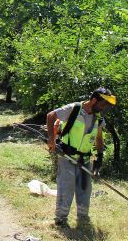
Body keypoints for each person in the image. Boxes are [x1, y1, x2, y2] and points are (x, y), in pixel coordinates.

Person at [46, 87, 117, 227]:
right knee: (67, 187)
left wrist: (98, 162)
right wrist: (51, 138)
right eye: (103, 105)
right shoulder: (74, 109)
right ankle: (61, 219)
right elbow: (51, 116)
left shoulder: (98, 118)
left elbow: (99, 140)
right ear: (94, 100)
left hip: (84, 159)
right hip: (67, 156)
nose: (103, 109)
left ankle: (83, 220)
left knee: (85, 189)